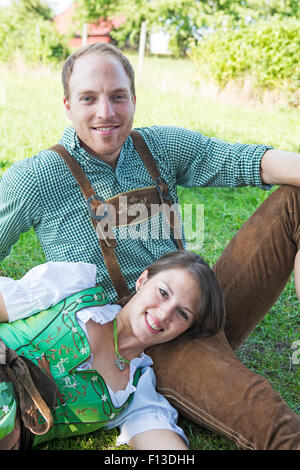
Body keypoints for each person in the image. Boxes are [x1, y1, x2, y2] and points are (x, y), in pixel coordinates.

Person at [0, 42, 299, 449]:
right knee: (262, 413)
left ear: (134, 99)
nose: (106, 112)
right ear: (68, 105)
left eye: (117, 96)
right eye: (89, 98)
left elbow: (243, 160)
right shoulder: (36, 179)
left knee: (294, 199)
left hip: (195, 300)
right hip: (145, 343)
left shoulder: (158, 146)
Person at [0, 250, 225, 450]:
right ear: (142, 281)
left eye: (183, 313)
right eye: (163, 293)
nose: (165, 313)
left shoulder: (137, 393)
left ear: (185, 330)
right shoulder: (75, 287)